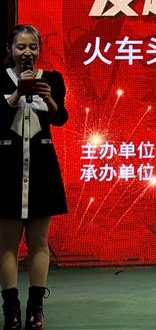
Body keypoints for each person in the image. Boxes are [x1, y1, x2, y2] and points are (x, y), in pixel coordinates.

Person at [1, 25, 68, 330]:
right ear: (10, 49)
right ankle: (11, 309)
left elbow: (61, 117)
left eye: (32, 47)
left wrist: (49, 99)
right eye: (21, 47)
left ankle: (35, 308)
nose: (27, 52)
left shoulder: (52, 79)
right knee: (7, 244)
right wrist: (17, 93)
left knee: (39, 242)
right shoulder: (1, 79)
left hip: (42, 168)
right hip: (8, 169)